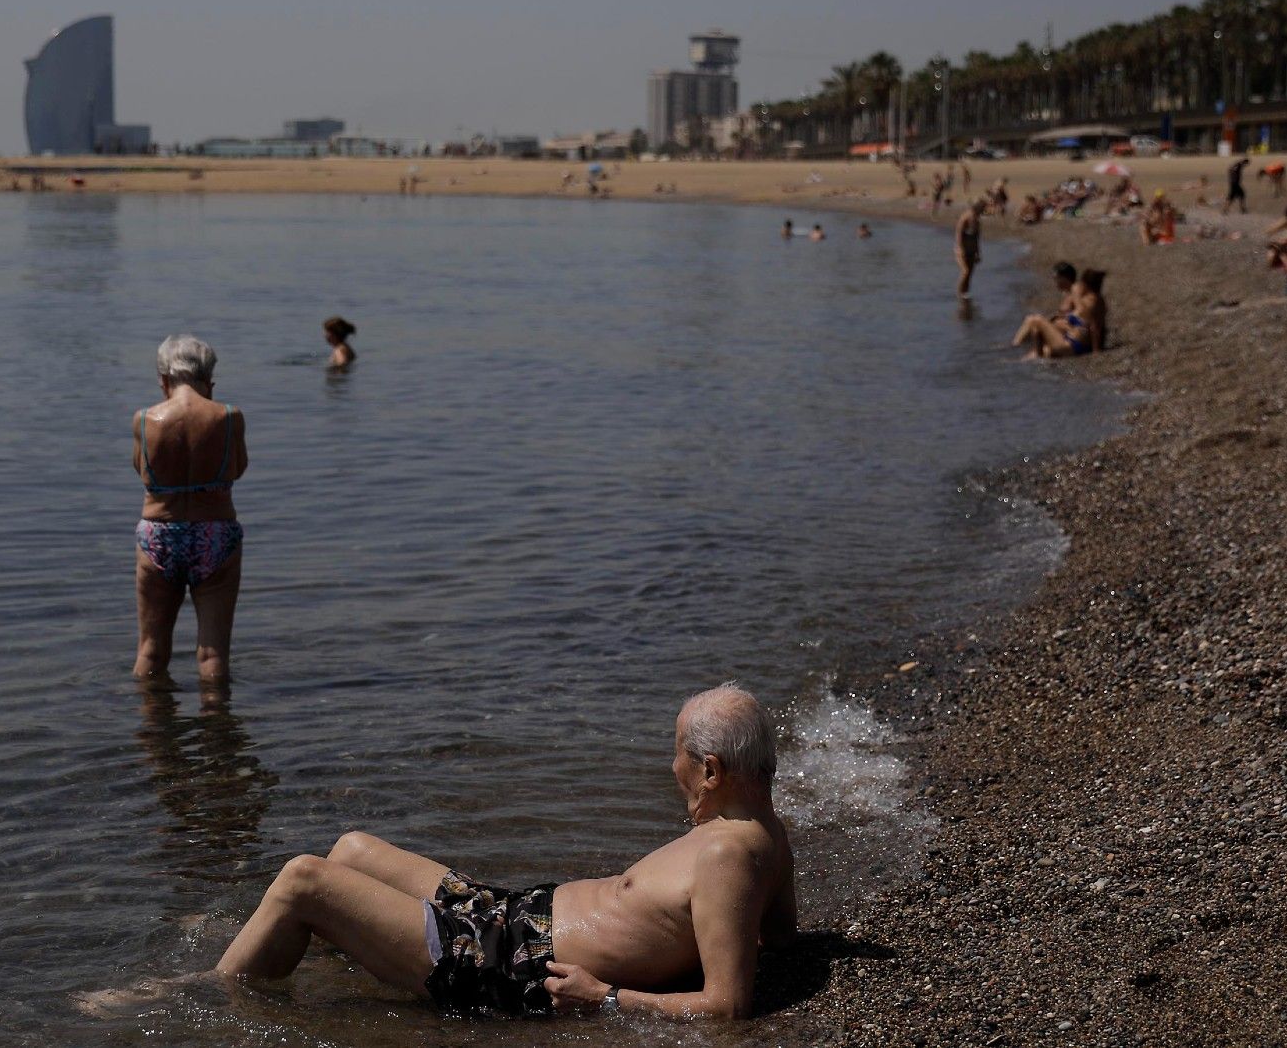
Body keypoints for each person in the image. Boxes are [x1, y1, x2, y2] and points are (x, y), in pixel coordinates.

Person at [214, 684, 797, 1019]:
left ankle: (210, 996)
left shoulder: (728, 855)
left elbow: (726, 1006)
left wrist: (608, 997)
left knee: (303, 881)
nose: (672, 770)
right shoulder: (761, 831)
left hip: (507, 964)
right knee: (351, 850)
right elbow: (781, 940)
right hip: (512, 915)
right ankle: (295, 945)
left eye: (678, 756)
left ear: (712, 770)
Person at [132, 335, 248, 683]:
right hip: (215, 534)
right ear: (208, 381)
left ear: (163, 380)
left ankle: (152, 730)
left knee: (150, 650)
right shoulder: (229, 416)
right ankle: (217, 730)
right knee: (213, 654)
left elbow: (142, 470)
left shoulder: (143, 419)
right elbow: (238, 469)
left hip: (158, 535)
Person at [1013, 268, 1105, 358]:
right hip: (1075, 345)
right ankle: (1025, 357)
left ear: (1085, 285)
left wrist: (1095, 351)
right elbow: (1088, 326)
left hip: (1072, 346)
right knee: (1033, 355)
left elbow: (1094, 327)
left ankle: (1019, 349)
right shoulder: (1096, 301)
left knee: (1036, 320)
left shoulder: (1091, 303)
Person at [954, 199, 985, 298]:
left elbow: (977, 237)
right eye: (982, 208)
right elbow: (958, 233)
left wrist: (978, 252)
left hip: (972, 250)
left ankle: (965, 294)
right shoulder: (966, 217)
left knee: (970, 274)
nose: (983, 210)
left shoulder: (977, 220)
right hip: (962, 249)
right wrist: (960, 248)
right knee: (965, 271)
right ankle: (959, 294)